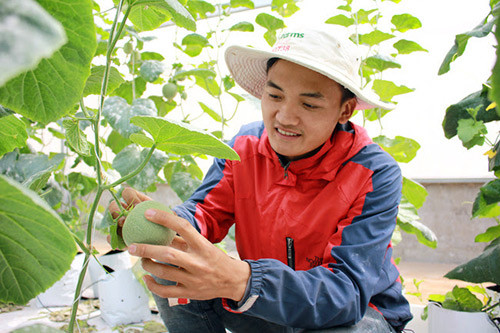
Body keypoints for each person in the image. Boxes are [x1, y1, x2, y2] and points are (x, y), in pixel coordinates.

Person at [110, 26, 413, 332]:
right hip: (264, 301)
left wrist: (243, 280)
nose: (284, 117)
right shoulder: (243, 148)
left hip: (357, 315)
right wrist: (164, 223)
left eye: (308, 104)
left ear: (344, 110)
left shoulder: (374, 173)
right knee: (174, 265)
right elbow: (203, 213)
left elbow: (345, 294)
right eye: (274, 95)